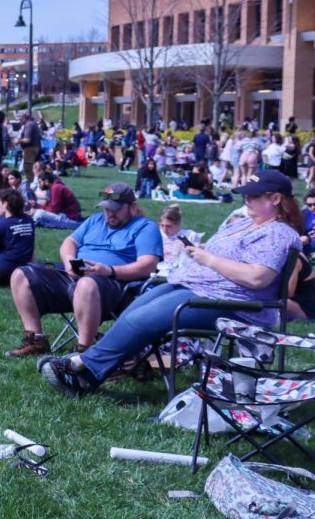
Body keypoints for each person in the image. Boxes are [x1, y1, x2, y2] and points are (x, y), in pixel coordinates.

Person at [39, 170, 303, 397]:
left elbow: (258, 277)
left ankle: (81, 367)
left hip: (235, 304)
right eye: (246, 193)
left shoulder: (278, 233)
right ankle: (95, 372)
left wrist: (207, 259)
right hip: (202, 289)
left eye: (254, 195)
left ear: (276, 198)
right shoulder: (249, 223)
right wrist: (200, 252)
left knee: (144, 320)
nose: (246, 199)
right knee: (136, 309)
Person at [4, 182, 162, 358]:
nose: (110, 213)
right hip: (74, 277)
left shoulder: (145, 227)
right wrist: (69, 262)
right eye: (107, 209)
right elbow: (69, 242)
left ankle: (84, 351)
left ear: (132, 207)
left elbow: (148, 265)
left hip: (115, 286)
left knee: (87, 284)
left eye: (116, 209)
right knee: (21, 274)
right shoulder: (95, 220)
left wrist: (109, 270)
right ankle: (36, 340)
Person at [157, 204, 201, 271]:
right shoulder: (157, 234)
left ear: (178, 224)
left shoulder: (189, 235)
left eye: (169, 226)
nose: (165, 230)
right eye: (162, 225)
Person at [17, 112, 41, 183]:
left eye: (20, 119)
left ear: (24, 119)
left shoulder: (29, 125)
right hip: (36, 147)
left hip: (30, 149)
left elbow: (27, 140)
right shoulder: (33, 124)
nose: (19, 121)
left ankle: (31, 184)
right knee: (35, 168)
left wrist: (18, 140)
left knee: (28, 169)